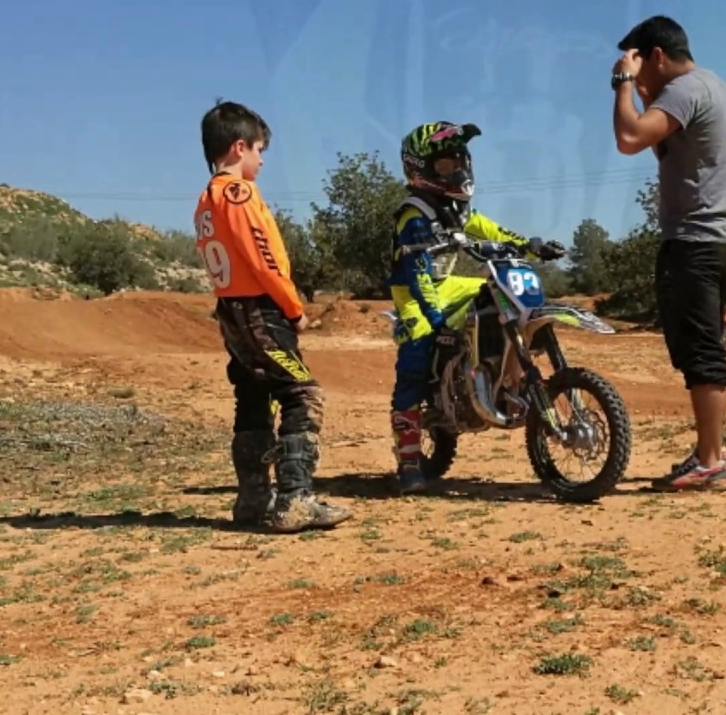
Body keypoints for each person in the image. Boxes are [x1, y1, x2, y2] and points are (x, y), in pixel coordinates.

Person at [193, 99, 352, 533]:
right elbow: (263, 257)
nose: (261, 160)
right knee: (302, 393)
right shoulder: (239, 193)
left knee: (252, 394)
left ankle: (253, 499)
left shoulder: (205, 200)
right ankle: (295, 499)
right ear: (239, 147)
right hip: (260, 310)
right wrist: (293, 308)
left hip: (231, 308)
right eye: (259, 150)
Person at [388, 121, 566, 494]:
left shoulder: (458, 209)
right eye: (446, 165)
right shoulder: (414, 214)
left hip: (449, 284)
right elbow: (417, 272)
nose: (457, 171)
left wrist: (531, 246)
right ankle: (408, 459)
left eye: (460, 162)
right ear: (419, 169)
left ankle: (507, 378)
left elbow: (492, 231)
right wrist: (434, 317)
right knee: (418, 350)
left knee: (505, 296)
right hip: (415, 292)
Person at [611, 15, 726, 492]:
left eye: (638, 63)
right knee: (699, 346)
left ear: (656, 56)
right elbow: (661, 146)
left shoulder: (686, 90)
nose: (635, 73)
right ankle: (711, 452)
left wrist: (622, 84)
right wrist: (643, 91)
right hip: (718, 238)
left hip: (697, 240)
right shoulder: (707, 86)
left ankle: (710, 462)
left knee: (700, 350)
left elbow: (629, 138)